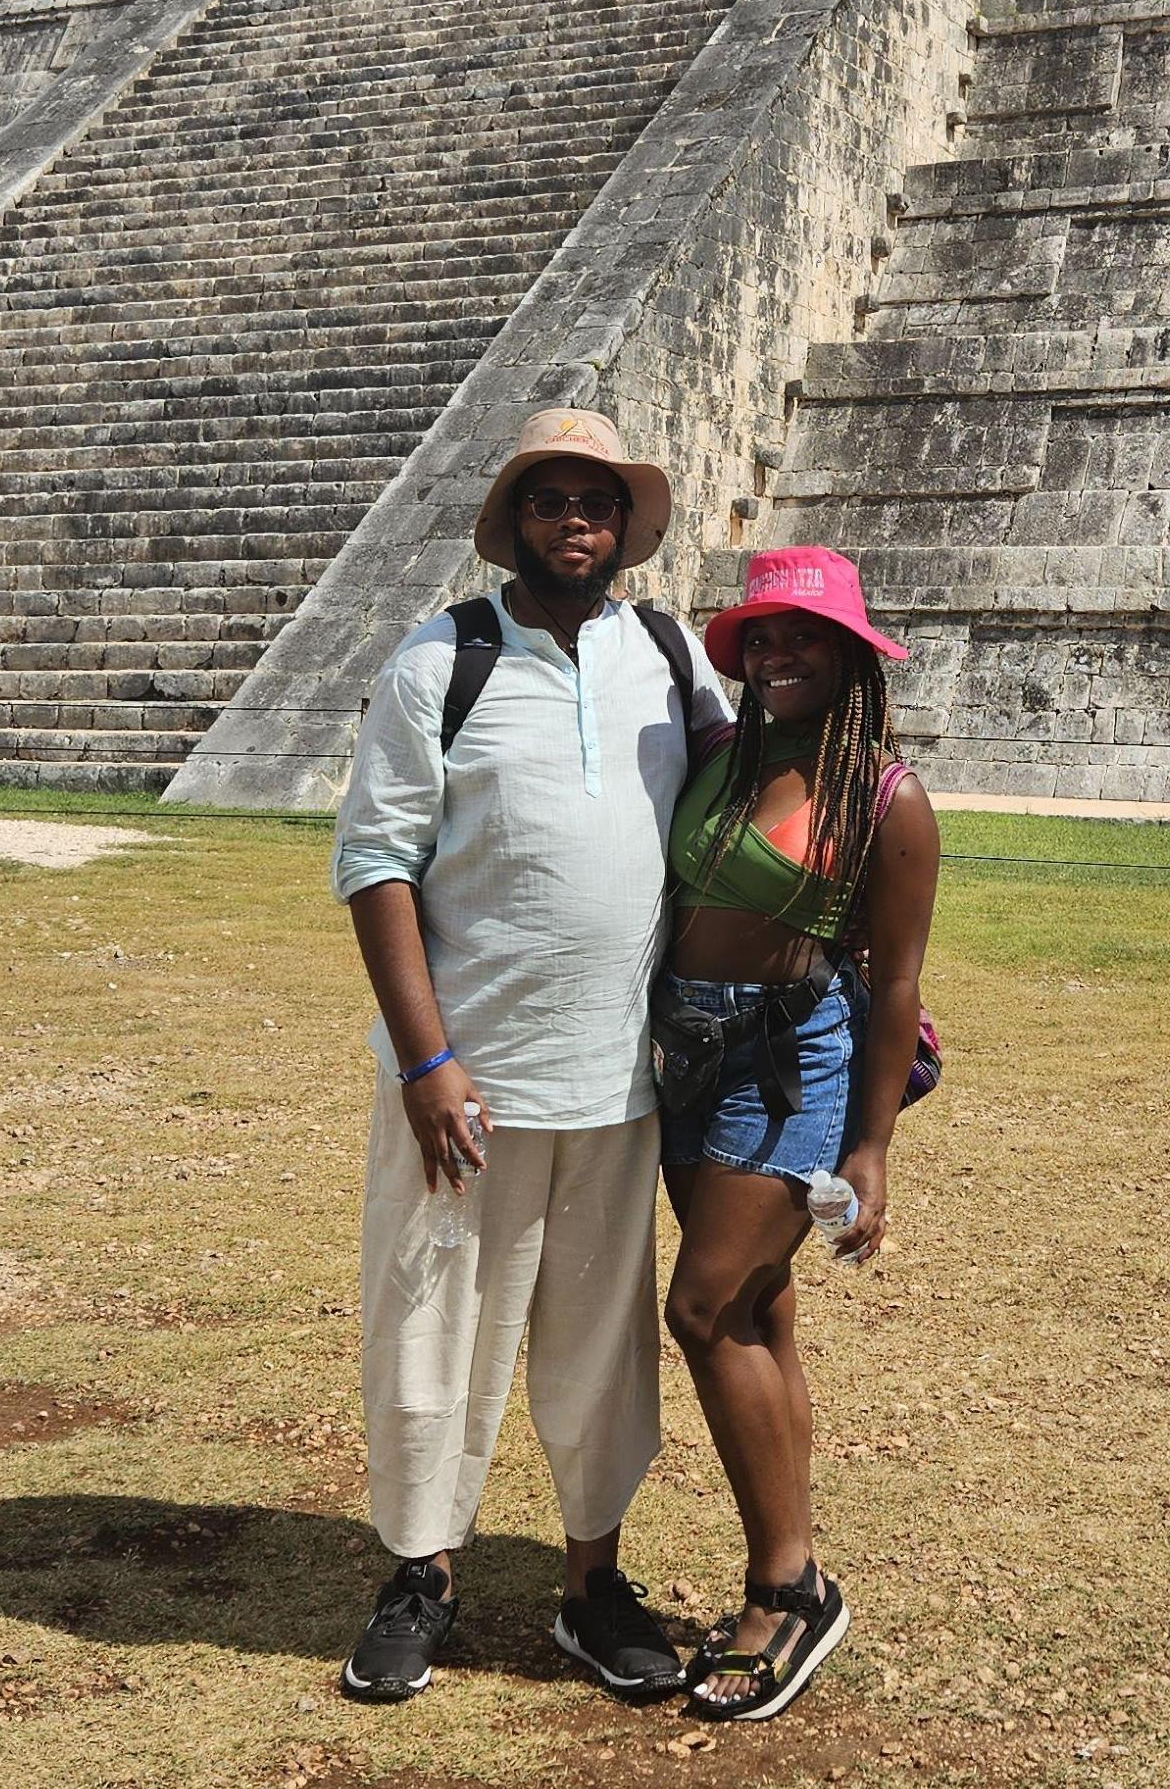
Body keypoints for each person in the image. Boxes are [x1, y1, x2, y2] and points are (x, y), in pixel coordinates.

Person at [328, 406, 732, 1708]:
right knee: (434, 1329)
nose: (578, 522)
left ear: (624, 528)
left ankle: (591, 1583)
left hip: (619, 1083)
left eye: (599, 502)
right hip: (471, 1085)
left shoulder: (668, 659)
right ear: (519, 523)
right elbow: (375, 867)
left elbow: (744, 806)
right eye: (554, 500)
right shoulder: (437, 663)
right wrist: (425, 1060)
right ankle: (420, 1575)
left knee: (599, 1347)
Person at [655, 544, 941, 1723]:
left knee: (705, 1307)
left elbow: (894, 987)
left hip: (786, 1063)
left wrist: (870, 1150)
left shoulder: (887, 798)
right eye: (761, 638)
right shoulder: (722, 756)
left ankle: (790, 1586)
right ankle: (793, 1543)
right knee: (762, 1308)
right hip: (684, 1052)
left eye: (803, 639)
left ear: (851, 659)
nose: (777, 657)